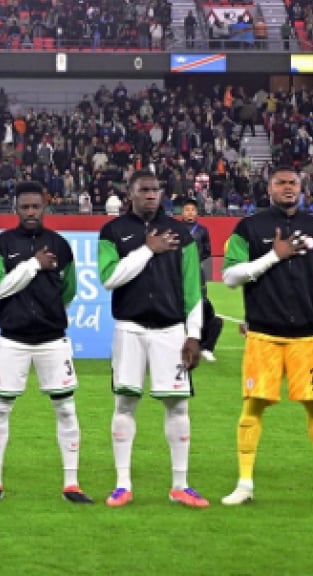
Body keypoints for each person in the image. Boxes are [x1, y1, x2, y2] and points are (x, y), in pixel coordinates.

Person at [221, 166, 313, 507]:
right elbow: (231, 276)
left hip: (308, 338)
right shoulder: (248, 228)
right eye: (281, 183)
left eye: (293, 182)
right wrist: (273, 257)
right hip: (263, 335)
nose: (288, 187)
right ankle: (244, 484)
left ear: (302, 188)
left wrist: (302, 302)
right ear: (269, 189)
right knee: (253, 406)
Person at [98, 171, 207, 508]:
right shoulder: (113, 231)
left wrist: (194, 335)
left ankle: (180, 484)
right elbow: (110, 278)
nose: (150, 195)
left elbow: (193, 291)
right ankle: (122, 484)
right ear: (129, 193)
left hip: (171, 331)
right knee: (125, 403)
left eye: (155, 189)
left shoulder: (181, 234)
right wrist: (147, 249)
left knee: (177, 405)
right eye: (143, 190)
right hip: (129, 328)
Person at [0, 182, 91, 503]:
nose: (30, 212)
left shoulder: (60, 245)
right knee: (0, 408)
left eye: (35, 207)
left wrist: (48, 311)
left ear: (45, 207)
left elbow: (68, 290)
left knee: (66, 409)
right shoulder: (1, 245)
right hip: (12, 340)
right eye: (24, 207)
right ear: (15, 209)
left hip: (53, 341)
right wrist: (32, 266)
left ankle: (72, 484)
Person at [181, 198, 223, 361]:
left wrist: (198, 264)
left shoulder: (202, 231)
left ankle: (204, 345)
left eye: (192, 210)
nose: (190, 212)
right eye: (187, 210)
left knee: (202, 303)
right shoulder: (177, 229)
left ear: (197, 213)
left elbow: (207, 251)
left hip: (198, 272)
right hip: (180, 271)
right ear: (182, 213)